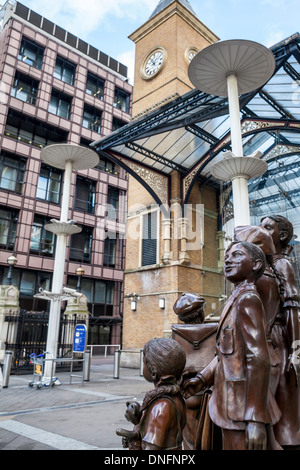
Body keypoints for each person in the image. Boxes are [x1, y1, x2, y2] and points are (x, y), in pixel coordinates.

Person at [183, 241, 282, 450]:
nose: (228, 259)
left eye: (236, 255)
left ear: (256, 265)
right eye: (227, 256)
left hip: (242, 409)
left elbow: (258, 358)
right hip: (229, 405)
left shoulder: (248, 299)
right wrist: (201, 380)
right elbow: (226, 354)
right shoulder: (234, 299)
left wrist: (255, 419)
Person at [260, 215, 300, 449]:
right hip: (266, 339)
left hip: (278, 340)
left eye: (267, 228)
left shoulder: (282, 263)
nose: (261, 232)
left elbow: (291, 308)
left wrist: (296, 351)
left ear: (281, 235)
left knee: (283, 398)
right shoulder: (264, 265)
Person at [116, 337, 186, 450]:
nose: (143, 366)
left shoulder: (161, 407)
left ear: (153, 372)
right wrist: (138, 427)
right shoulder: (175, 396)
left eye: (144, 363)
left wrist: (135, 445)